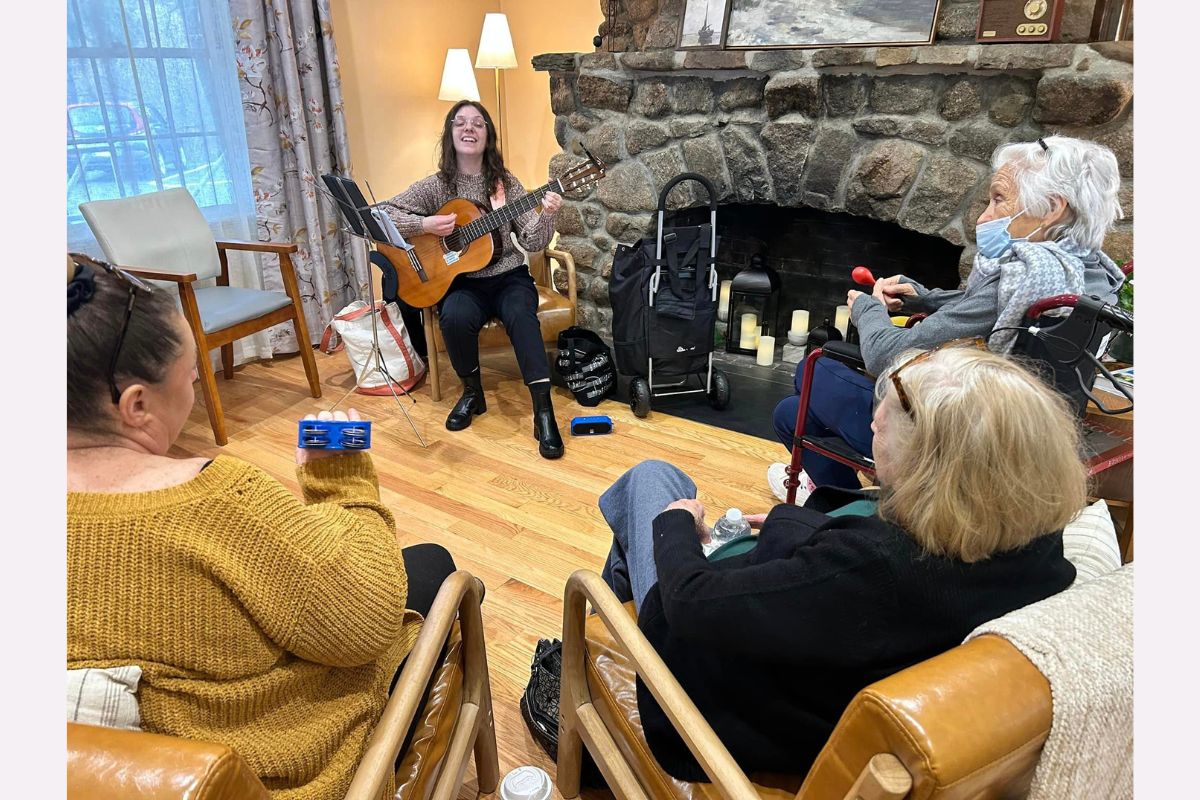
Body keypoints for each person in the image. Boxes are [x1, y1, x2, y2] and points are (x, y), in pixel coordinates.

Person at [66, 253, 457, 800]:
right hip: (274, 771)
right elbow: (364, 626)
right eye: (191, 379)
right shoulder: (221, 501)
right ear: (136, 405)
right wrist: (341, 482)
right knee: (434, 564)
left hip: (121, 771)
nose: (195, 390)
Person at [599, 343, 1083, 781]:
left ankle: (587, 685)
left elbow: (690, 603)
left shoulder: (873, 568)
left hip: (727, 698)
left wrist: (675, 525)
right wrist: (793, 524)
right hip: (818, 670)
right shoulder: (1036, 546)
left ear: (931, 463)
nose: (871, 424)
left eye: (884, 421)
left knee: (652, 481)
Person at [768, 135, 1126, 498]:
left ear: (1052, 208)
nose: (984, 216)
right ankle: (847, 501)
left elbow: (884, 355)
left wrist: (867, 309)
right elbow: (982, 304)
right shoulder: (1088, 274)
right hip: (1022, 435)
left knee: (810, 373)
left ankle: (874, 501)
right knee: (793, 410)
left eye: (999, 198)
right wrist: (925, 297)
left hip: (953, 440)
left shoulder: (1024, 276)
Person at [381, 100, 565, 459]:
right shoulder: (435, 187)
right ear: (450, 134)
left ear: (488, 135)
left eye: (478, 124)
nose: (469, 129)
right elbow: (382, 212)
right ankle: (472, 393)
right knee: (454, 316)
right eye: (460, 123)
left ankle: (543, 410)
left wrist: (546, 215)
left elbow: (530, 241)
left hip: (508, 276)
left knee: (521, 316)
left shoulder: (505, 183)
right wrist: (425, 225)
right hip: (463, 283)